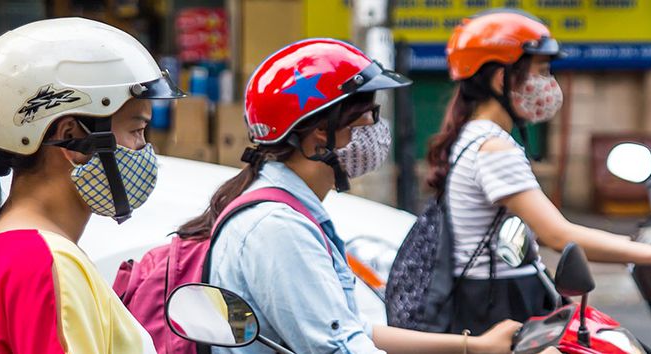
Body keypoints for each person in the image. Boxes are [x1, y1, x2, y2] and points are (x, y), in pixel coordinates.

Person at [178, 38, 553, 354]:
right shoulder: (278, 228)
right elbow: (340, 349)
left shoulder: (292, 212)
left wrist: (476, 346)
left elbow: (349, 328)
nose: (377, 131)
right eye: (369, 117)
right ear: (321, 133)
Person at [426, 9, 651, 334]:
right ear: (502, 77)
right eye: (540, 71)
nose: (547, 84)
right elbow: (558, 235)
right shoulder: (493, 148)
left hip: (495, 294)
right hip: (498, 303)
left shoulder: (473, 136)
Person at [0, 18, 184, 353]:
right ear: (71, 138)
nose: (145, 149)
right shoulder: (46, 264)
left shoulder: (12, 247)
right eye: (137, 131)